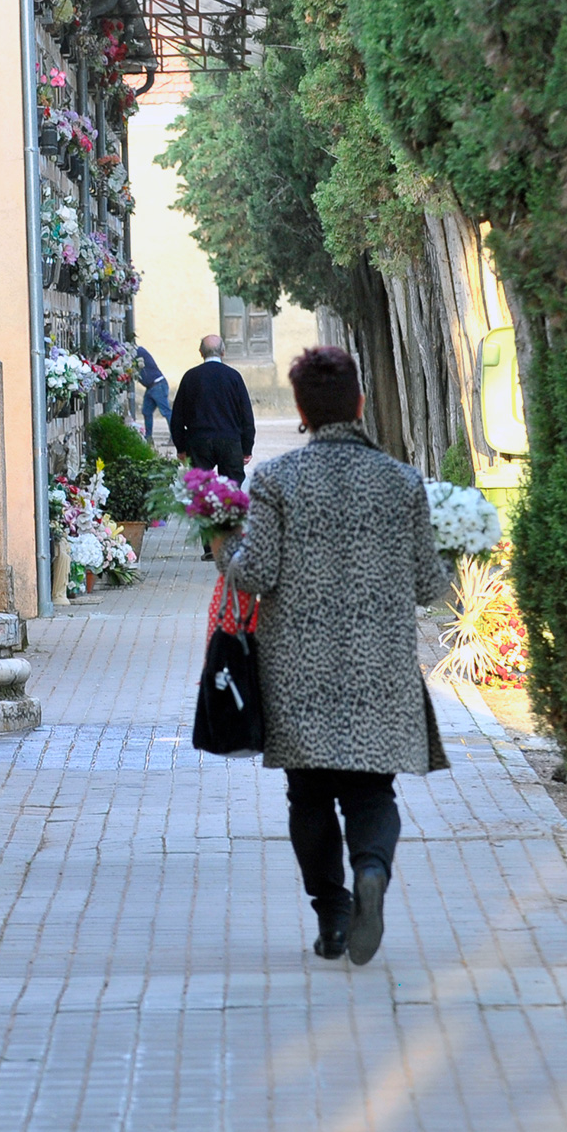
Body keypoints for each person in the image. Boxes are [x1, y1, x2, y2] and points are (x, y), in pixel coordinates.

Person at [214, 347, 450, 966]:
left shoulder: (276, 480)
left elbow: (256, 573)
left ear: (300, 410)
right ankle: (371, 868)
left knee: (309, 797)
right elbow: (429, 585)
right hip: (382, 667)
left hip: (298, 671)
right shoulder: (402, 482)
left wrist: (224, 551)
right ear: (360, 405)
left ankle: (335, 916)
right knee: (374, 795)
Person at [170, 334, 256, 558]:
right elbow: (246, 414)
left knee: (204, 492)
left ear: (201, 353)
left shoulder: (191, 377)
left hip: (199, 441)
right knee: (232, 490)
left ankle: (210, 547)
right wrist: (247, 447)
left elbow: (177, 416)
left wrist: (181, 446)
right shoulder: (233, 377)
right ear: (223, 352)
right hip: (230, 440)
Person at [136, 346, 172, 444]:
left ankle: (175, 438)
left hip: (157, 384)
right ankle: (148, 438)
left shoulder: (137, 351)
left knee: (166, 412)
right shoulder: (137, 351)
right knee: (146, 411)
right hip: (151, 386)